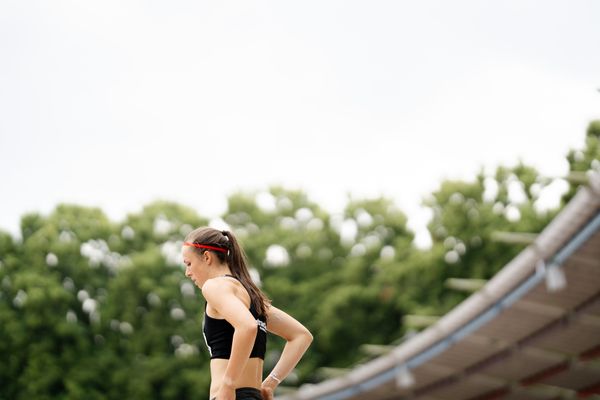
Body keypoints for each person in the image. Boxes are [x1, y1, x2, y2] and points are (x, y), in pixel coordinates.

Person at [182, 227, 313, 400]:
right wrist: (270, 384)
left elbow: (247, 326)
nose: (187, 272)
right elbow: (301, 336)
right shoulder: (253, 298)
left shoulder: (214, 286)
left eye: (188, 263)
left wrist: (228, 384)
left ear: (207, 257)